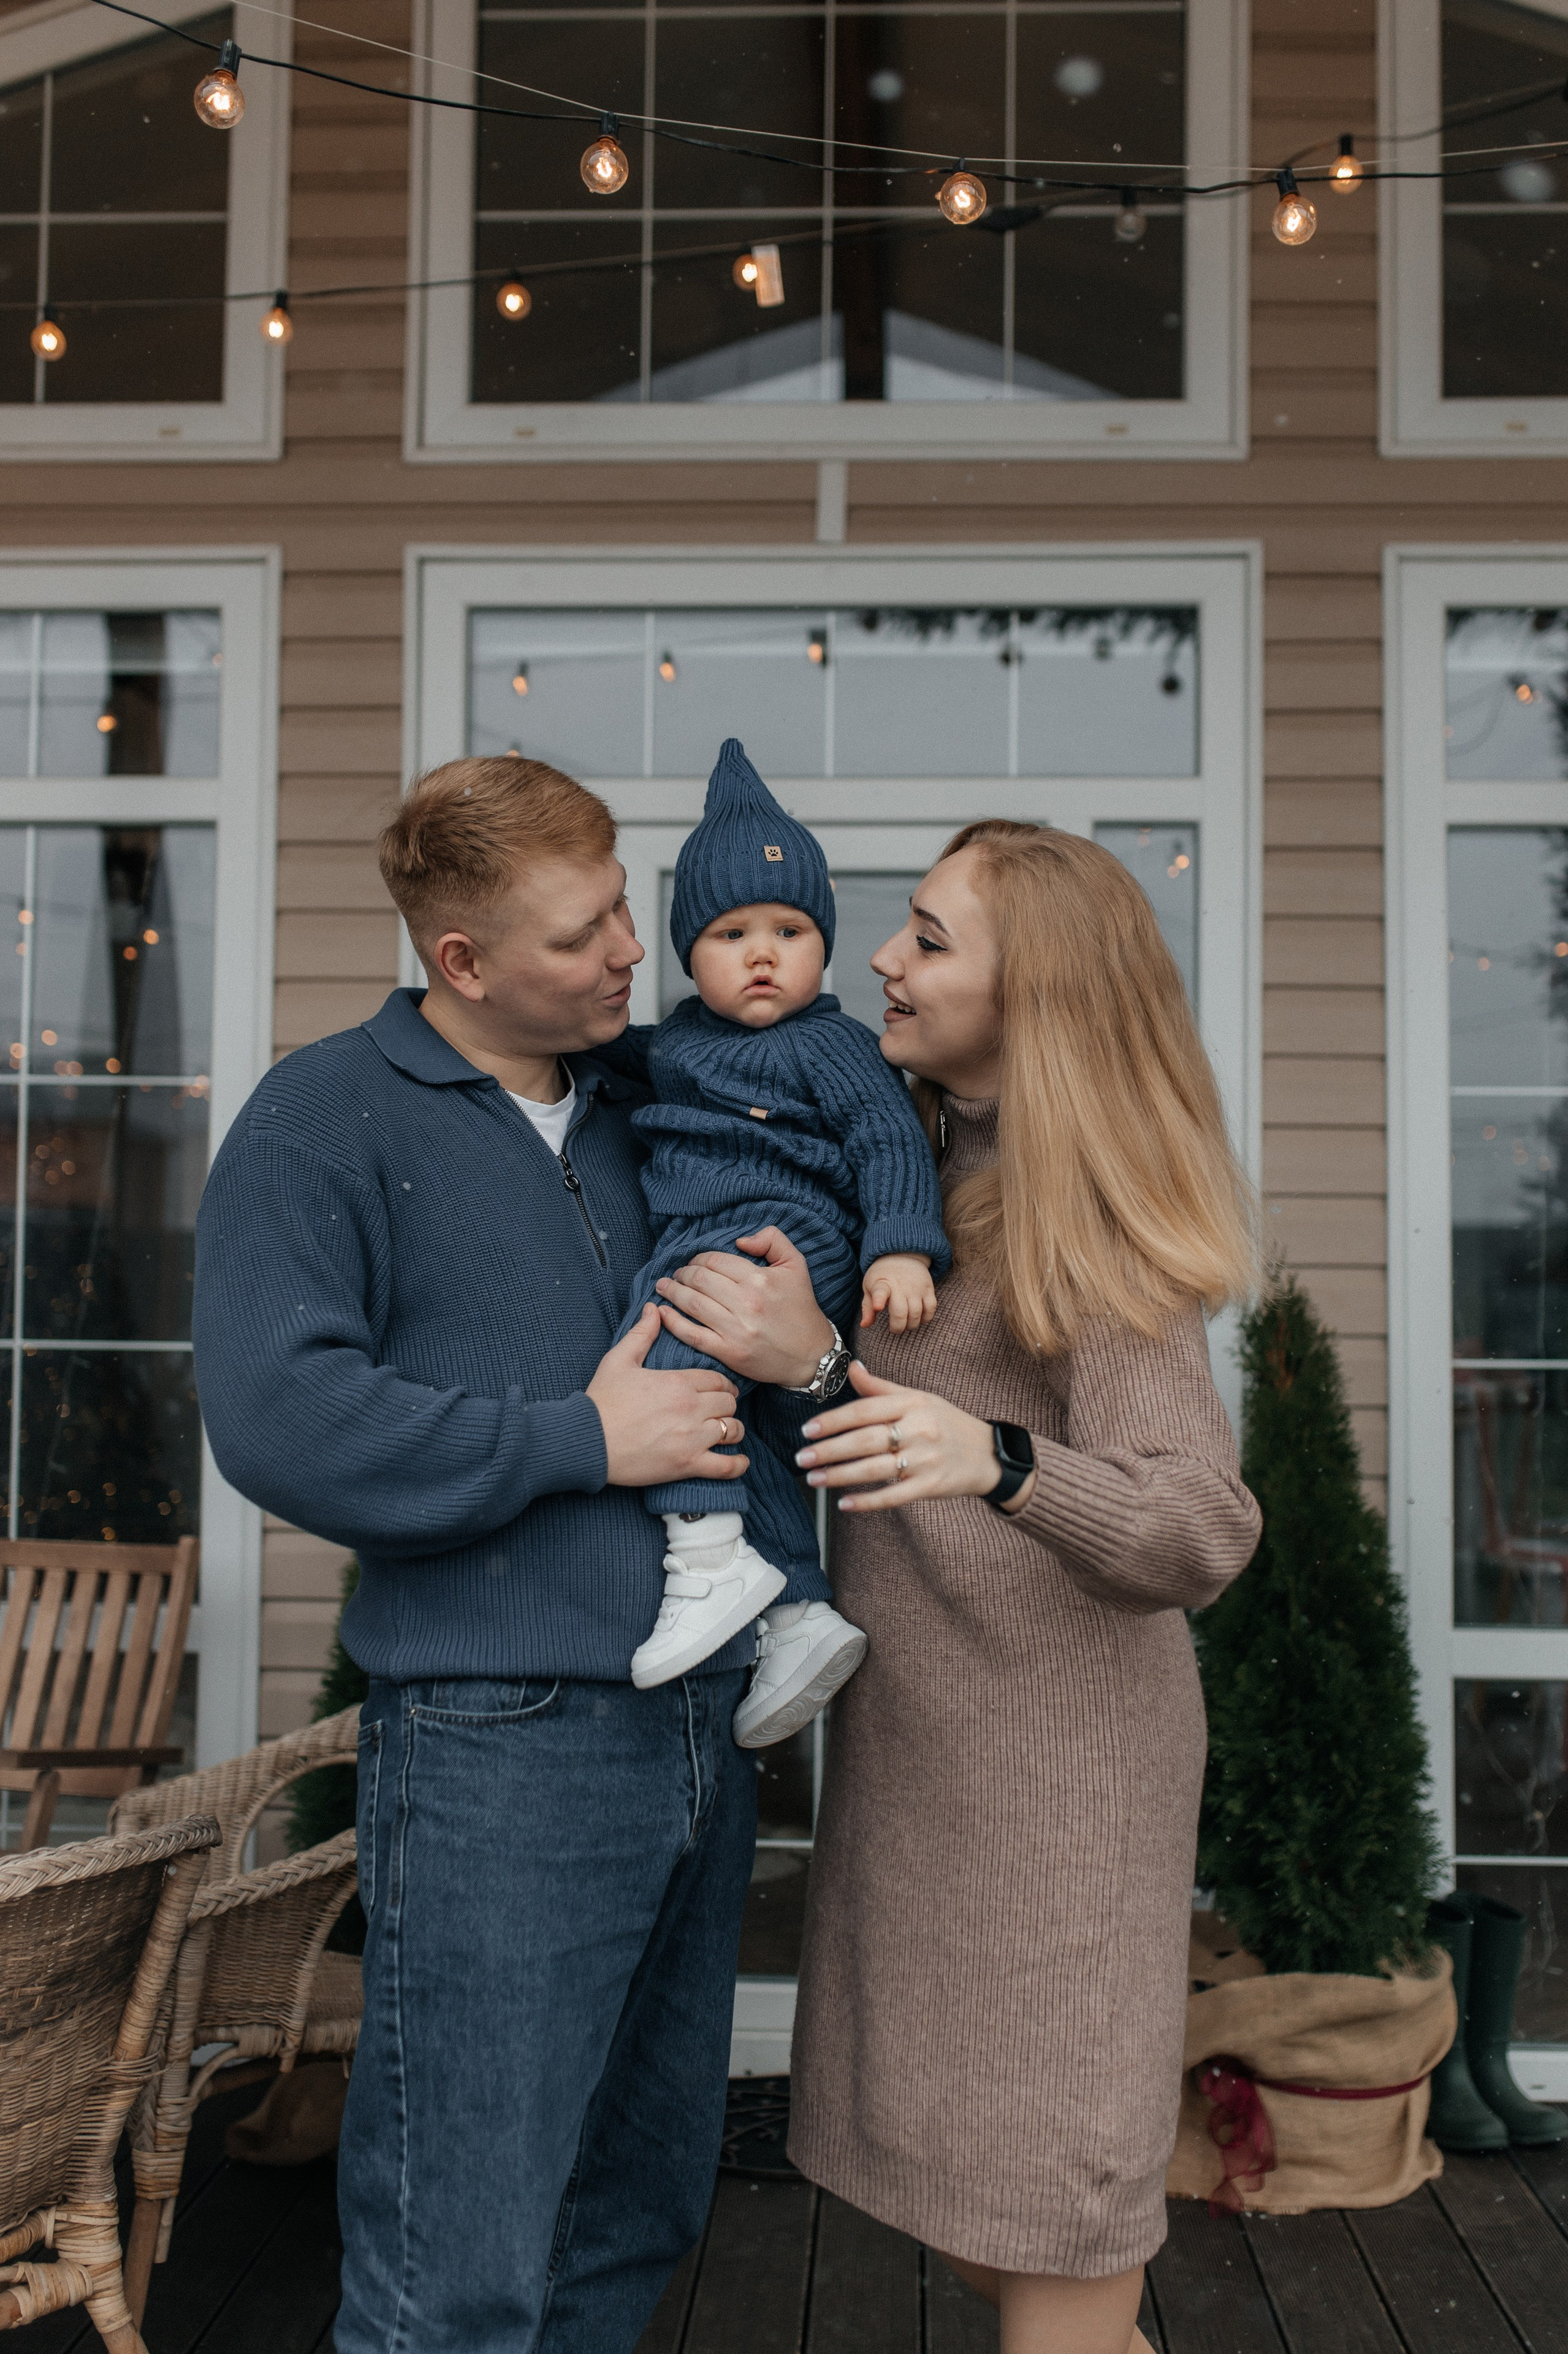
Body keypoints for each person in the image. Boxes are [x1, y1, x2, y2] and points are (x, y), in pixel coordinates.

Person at [191, 755, 845, 2354]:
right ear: (461, 961)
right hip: (506, 1739)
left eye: (624, 901)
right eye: (582, 933)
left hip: (708, 1721)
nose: (633, 949)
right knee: (460, 2260)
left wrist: (815, 1349)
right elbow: (281, 1418)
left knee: (635, 2211)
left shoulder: (664, 1097)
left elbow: (823, 1252)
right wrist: (580, 1441)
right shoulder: (322, 1118)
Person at [785, 821, 1263, 2354]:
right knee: (984, 2225)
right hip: (929, 1767)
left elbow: (1196, 1530)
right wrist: (794, 1359)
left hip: (1060, 1799)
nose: (881, 958)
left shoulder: (1092, 1215)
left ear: (1032, 994)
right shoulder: (913, 1157)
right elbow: (897, 1410)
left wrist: (997, 1461)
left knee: (1054, 2221)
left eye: (927, 938)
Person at [609, 738, 951, 1749]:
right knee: (739, 1426)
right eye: (729, 933)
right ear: (688, 956)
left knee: (669, 1348)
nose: (763, 953)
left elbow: (890, 1143)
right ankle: (798, 1610)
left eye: (790, 929)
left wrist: (901, 1248)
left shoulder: (834, 1045)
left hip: (794, 1236)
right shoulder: (678, 1043)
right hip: (720, 1238)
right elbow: (601, 1051)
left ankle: (710, 1562)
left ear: (825, 941)